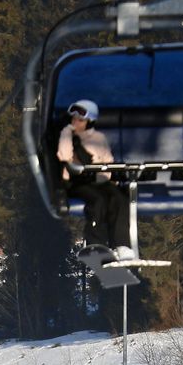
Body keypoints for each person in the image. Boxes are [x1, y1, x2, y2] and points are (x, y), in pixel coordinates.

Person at [55, 98, 130, 251]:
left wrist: (107, 180)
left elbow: (108, 161)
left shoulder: (98, 138)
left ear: (89, 121)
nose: (76, 122)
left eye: (81, 120)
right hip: (76, 182)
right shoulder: (66, 136)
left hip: (99, 180)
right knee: (98, 200)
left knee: (120, 198)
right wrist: (67, 133)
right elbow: (63, 156)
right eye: (74, 118)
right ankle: (96, 244)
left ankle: (121, 245)